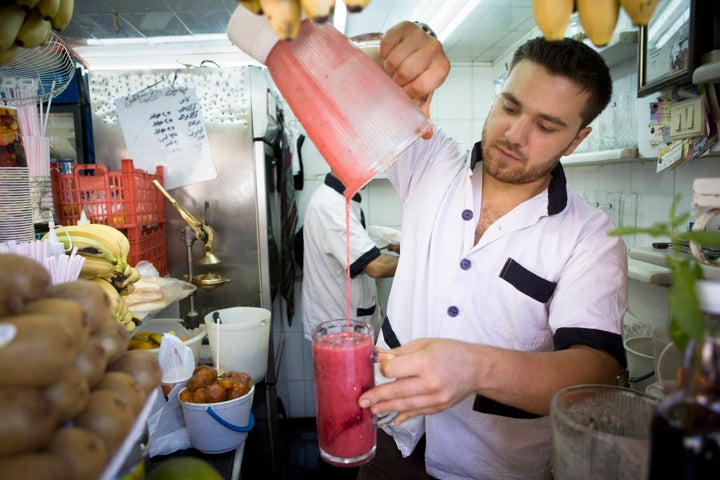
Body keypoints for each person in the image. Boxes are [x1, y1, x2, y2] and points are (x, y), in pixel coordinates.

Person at [355, 22, 628, 480]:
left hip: (493, 467)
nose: (515, 135)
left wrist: (476, 366)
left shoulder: (590, 237)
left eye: (546, 126)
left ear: (577, 139)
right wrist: (400, 55)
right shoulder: (430, 163)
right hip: (390, 441)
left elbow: (591, 374)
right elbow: (349, 81)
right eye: (510, 106)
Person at [301, 169, 399, 341]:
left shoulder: (341, 198)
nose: (373, 170)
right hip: (339, 334)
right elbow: (376, 267)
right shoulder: (331, 205)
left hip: (345, 324)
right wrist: (418, 259)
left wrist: (387, 242)